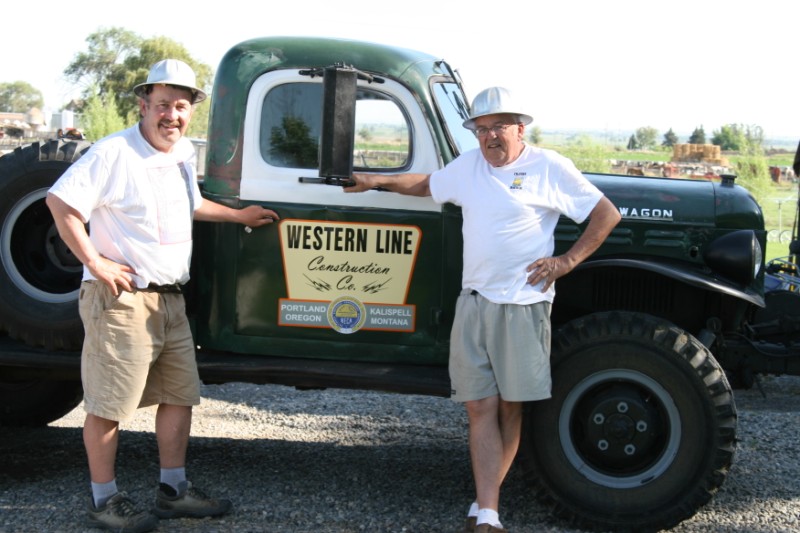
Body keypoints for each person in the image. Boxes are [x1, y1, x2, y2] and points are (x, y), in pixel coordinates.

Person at [345, 86, 621, 533]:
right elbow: (427, 184)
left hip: (523, 304)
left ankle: (485, 503)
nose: (490, 137)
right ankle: (489, 512)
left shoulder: (549, 167)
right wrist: (374, 180)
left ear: (520, 127)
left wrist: (566, 261)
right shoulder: (470, 166)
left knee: (511, 408)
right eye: (481, 129)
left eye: (498, 127)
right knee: (479, 407)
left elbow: (606, 214)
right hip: (473, 302)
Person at [46, 59, 279, 533]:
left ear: (190, 110)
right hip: (122, 300)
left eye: (181, 105)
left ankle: (173, 492)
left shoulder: (178, 157)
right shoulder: (114, 153)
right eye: (162, 105)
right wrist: (95, 263)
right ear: (142, 104)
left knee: (180, 395)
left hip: (171, 300)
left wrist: (239, 216)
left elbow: (191, 204)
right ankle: (103, 500)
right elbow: (60, 202)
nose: (171, 114)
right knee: (109, 405)